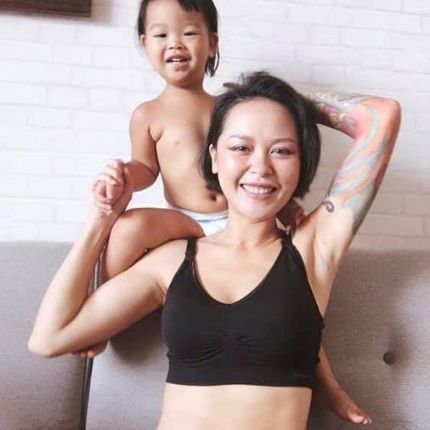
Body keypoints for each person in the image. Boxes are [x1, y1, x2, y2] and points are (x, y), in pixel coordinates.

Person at [28, 71, 400, 429]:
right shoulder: (172, 261)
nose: (260, 167)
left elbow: (380, 116)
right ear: (215, 157)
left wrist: (291, 100)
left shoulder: (313, 250)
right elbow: (50, 338)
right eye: (240, 147)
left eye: (282, 150)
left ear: (301, 163)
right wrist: (102, 219)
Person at [87, 0, 369, 423]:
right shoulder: (147, 114)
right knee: (127, 226)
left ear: (213, 43)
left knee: (287, 302)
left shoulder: (229, 107)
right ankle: (101, 318)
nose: (175, 43)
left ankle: (328, 385)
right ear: (145, 45)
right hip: (185, 220)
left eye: (189, 32)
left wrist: (289, 104)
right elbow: (146, 167)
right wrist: (127, 175)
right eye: (161, 35)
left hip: (238, 220)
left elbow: (259, 165)